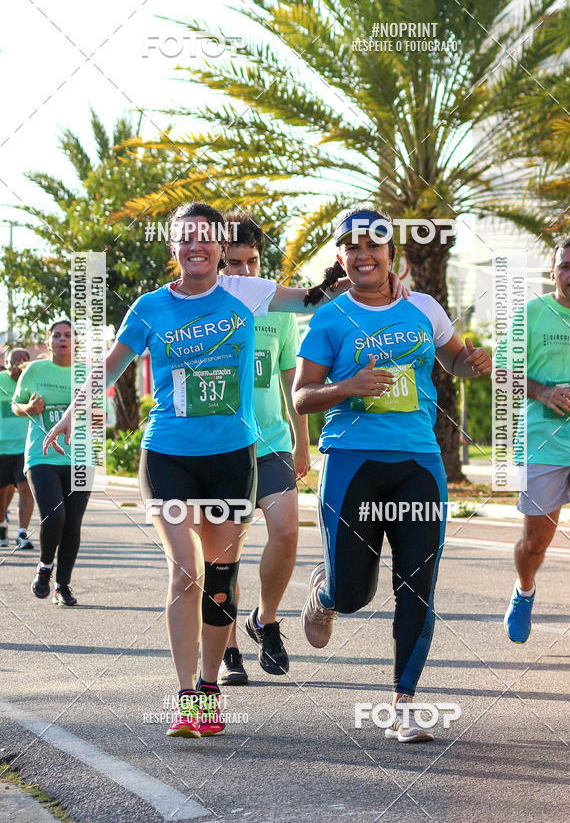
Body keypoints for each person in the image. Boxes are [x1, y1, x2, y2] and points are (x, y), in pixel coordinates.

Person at [44, 202, 407, 740]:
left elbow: (313, 298)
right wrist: (72, 414)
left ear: (219, 244)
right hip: (168, 456)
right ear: (173, 247)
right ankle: (186, 696)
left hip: (231, 460)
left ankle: (210, 689)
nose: (196, 245)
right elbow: (110, 367)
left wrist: (363, 272)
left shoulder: (244, 292)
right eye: (185, 237)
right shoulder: (150, 307)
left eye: (206, 237)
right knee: (185, 571)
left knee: (219, 579)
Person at [293, 207, 492, 743]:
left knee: (417, 584)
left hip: (418, 462)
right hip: (352, 462)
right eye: (353, 247)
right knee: (353, 593)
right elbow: (302, 396)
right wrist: (348, 387)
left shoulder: (424, 307)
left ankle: (404, 704)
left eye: (373, 245)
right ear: (341, 258)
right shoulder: (330, 319)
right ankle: (326, 594)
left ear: (391, 253)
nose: (364, 255)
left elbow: (453, 361)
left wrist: (472, 363)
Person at [215, 214, 311, 685]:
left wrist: (302, 442)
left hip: (272, 443)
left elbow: (292, 379)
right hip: (221, 449)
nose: (245, 272)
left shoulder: (278, 309)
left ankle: (265, 620)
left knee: (287, 533)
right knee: (224, 553)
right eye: (234, 263)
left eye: (251, 262)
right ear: (217, 263)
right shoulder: (205, 308)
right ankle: (228, 647)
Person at [502, 237, 570, 662]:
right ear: (553, 273)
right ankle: (524, 590)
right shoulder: (532, 314)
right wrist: (543, 392)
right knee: (536, 541)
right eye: (566, 266)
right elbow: (503, 372)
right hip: (543, 442)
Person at [13, 321, 91, 606]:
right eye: (56, 335)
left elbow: (102, 414)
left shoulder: (87, 373)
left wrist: (87, 411)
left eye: (68, 335)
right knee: (55, 516)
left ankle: (62, 586)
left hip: (81, 458)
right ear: (48, 342)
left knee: (73, 524)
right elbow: (16, 405)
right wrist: (29, 408)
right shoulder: (35, 369)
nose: (62, 339)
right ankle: (45, 565)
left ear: (76, 342)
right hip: (41, 455)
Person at [0, 347, 34, 549]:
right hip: (2, 448)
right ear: (7, 363)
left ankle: (22, 533)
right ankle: (1, 526)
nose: (18, 365)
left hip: (25, 446)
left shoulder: (32, 382)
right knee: (2, 492)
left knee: (25, 488)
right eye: (15, 361)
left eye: (23, 361)